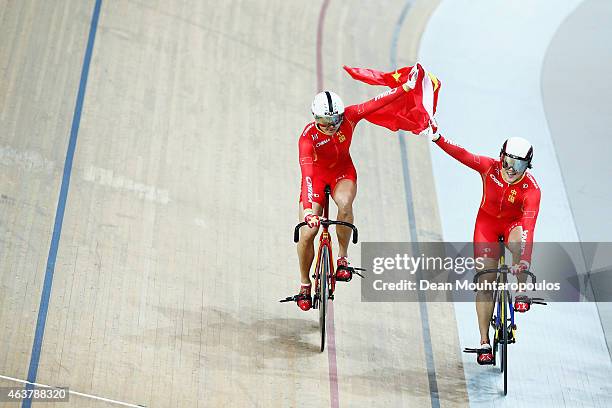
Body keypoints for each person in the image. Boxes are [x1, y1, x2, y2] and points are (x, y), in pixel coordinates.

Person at [294, 75, 417, 311]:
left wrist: (406, 87)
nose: (331, 126)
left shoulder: (350, 116)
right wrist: (309, 210)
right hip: (316, 179)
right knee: (308, 231)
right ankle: (304, 283)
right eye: (325, 121)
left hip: (342, 173)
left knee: (344, 205)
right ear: (315, 118)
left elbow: (377, 102)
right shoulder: (307, 138)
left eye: (335, 121)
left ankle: (342, 257)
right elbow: (307, 175)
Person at [429, 130, 541, 364]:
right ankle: (484, 342)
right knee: (485, 284)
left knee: (519, 244)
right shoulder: (488, 167)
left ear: (528, 167)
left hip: (514, 227)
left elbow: (529, 227)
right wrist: (438, 138)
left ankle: (521, 291)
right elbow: (462, 154)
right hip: (487, 226)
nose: (511, 169)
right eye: (508, 162)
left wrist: (524, 262)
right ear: (501, 157)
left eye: (518, 166)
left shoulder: (532, 190)